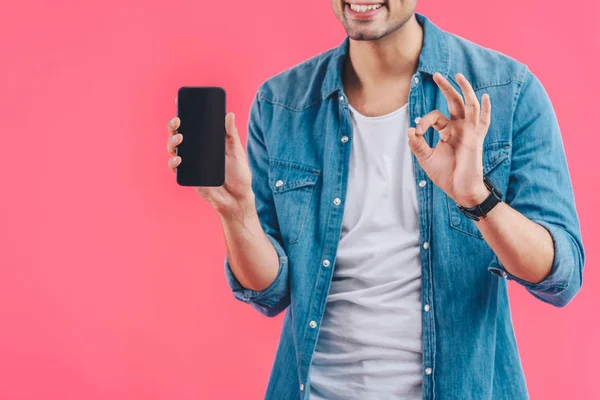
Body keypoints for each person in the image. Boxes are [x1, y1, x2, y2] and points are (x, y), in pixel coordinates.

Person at [166, 2, 585, 399]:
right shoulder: (282, 105)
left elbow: (560, 275)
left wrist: (476, 198)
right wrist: (237, 213)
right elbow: (271, 292)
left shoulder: (507, 91)